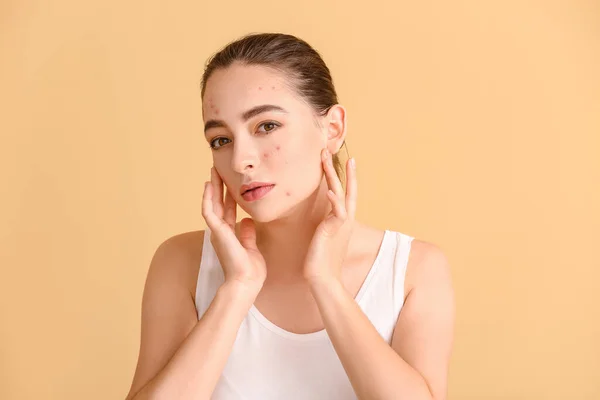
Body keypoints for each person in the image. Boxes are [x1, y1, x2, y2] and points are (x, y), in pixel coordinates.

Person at [125, 32, 455, 400]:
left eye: (266, 126)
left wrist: (326, 284)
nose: (240, 160)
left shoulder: (410, 270)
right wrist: (237, 290)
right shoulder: (184, 264)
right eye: (221, 139)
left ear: (332, 129)